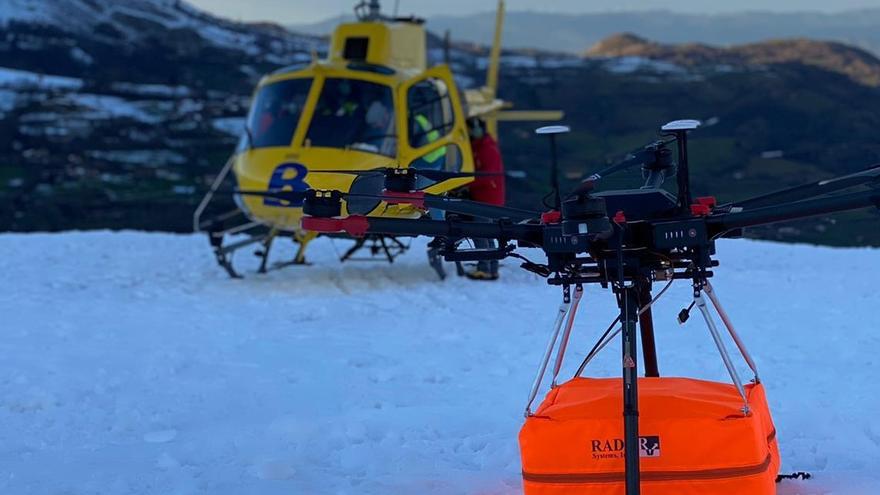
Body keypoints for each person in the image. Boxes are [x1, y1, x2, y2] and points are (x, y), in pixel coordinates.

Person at [464, 118, 506, 281]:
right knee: (487, 233)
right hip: (488, 196)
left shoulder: (486, 148)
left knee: (480, 233)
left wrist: (466, 183)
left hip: (487, 197)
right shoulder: (482, 146)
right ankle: (491, 268)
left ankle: (485, 268)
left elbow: (488, 175)